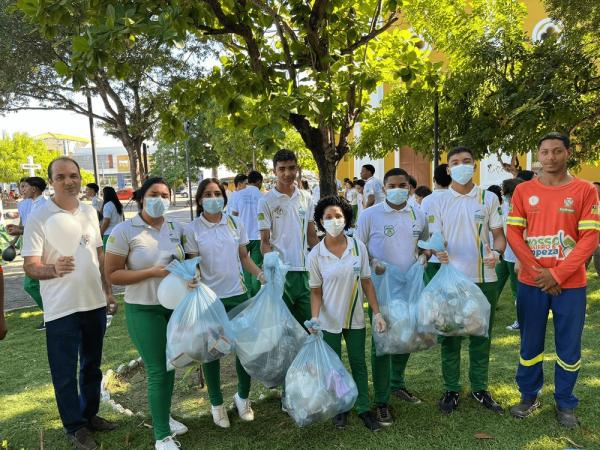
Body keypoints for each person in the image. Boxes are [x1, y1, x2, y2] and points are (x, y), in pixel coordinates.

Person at [22, 157, 118, 450]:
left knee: (92, 366)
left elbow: (98, 256)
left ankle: (89, 415)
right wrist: (52, 269)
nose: (69, 181)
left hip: (93, 304)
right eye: (61, 176)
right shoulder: (39, 216)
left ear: (80, 178)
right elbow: (29, 265)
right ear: (51, 181)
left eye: (74, 176)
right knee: (64, 372)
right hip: (61, 309)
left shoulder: (90, 212)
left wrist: (108, 291)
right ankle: (75, 426)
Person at [507, 132, 600, 428]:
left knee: (569, 346)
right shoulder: (523, 191)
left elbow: (590, 238)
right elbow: (513, 234)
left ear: (568, 153)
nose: (550, 158)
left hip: (570, 284)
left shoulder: (586, 190)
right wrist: (538, 272)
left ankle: (565, 402)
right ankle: (528, 395)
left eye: (557, 151)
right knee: (530, 342)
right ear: (538, 155)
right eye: (544, 152)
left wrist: (558, 274)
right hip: (531, 283)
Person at [104, 177, 190, 450]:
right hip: (143, 309)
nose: (160, 199)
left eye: (165, 195)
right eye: (154, 194)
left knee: (170, 364)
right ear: (142, 197)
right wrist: (152, 273)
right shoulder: (125, 231)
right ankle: (162, 436)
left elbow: (179, 262)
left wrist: (190, 274)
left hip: (173, 308)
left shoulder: (173, 228)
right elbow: (113, 274)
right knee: (157, 369)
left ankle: (162, 417)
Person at [426, 147, 506, 415]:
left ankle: (480, 388)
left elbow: (499, 235)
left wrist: (496, 253)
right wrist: (434, 248)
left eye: (467, 162)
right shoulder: (435, 201)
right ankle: (451, 389)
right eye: (455, 163)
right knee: (450, 336)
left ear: (474, 165)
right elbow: (431, 239)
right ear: (448, 169)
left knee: (481, 336)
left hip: (484, 277)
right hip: (448, 279)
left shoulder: (489, 197)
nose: (461, 166)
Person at [185, 178, 265, 429]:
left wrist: (261, 274)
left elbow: (243, 257)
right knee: (212, 353)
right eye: (207, 194)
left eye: (217, 193)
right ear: (199, 200)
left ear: (224, 196)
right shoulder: (192, 229)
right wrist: (193, 277)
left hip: (238, 296)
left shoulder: (235, 222)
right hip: (210, 300)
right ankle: (217, 405)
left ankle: (243, 398)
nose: (213, 198)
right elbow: (192, 263)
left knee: (243, 350)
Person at [306, 195, 386, 432]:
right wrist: (315, 318)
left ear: (346, 218)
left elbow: (367, 282)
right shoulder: (315, 255)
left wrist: (378, 313)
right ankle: (340, 407)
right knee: (334, 367)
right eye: (328, 217)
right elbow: (316, 292)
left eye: (338, 216)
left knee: (358, 363)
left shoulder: (357, 247)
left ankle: (363, 408)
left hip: (354, 318)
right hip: (329, 320)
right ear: (320, 222)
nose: (333, 221)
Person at [356, 168, 429, 427]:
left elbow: (425, 242)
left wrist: (424, 256)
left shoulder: (417, 214)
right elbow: (358, 246)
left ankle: (397, 383)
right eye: (392, 185)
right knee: (382, 342)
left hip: (408, 287)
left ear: (410, 187)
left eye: (403, 185)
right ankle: (382, 401)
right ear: (384, 188)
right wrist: (373, 262)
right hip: (380, 289)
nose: (398, 189)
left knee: (406, 337)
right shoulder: (369, 215)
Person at [258, 149, 319, 326]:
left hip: (303, 271)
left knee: (310, 326)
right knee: (282, 330)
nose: (287, 173)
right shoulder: (266, 201)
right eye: (282, 169)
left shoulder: (306, 197)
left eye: (291, 168)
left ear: (297, 169)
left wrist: (322, 259)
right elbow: (264, 241)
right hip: (280, 274)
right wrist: (272, 268)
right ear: (274, 171)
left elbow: (311, 235)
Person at [7, 176, 48, 330]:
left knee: (30, 285)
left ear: (34, 189)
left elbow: (41, 229)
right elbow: (24, 224)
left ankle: (51, 314)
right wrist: (15, 240)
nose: (21, 190)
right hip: (31, 247)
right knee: (37, 284)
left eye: (24, 187)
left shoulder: (44, 205)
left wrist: (21, 231)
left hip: (41, 249)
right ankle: (51, 314)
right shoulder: (26, 204)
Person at [230, 170, 264, 296]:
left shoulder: (238, 194)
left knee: (244, 265)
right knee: (256, 267)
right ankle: (255, 296)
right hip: (258, 236)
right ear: (259, 182)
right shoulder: (262, 196)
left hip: (241, 236)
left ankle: (246, 294)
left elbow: (233, 216)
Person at [499, 178, 524, 331]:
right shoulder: (505, 206)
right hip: (505, 254)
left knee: (518, 290)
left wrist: (520, 257)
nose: (502, 193)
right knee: (495, 284)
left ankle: (521, 320)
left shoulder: (520, 207)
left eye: (504, 190)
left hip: (516, 256)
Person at [421, 164, 452, 282]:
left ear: (434, 180)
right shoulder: (455, 198)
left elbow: (424, 227)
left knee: (432, 294)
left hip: (433, 255)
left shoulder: (427, 200)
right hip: (453, 254)